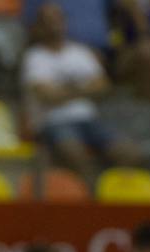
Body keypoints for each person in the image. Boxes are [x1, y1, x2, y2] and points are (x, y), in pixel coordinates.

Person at [21, 2, 132, 175]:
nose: (54, 24)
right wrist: (84, 88)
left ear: (65, 21)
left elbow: (103, 86)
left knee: (129, 152)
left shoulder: (81, 52)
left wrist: (64, 90)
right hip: (52, 122)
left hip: (88, 119)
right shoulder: (34, 57)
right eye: (48, 20)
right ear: (39, 26)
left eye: (57, 19)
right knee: (75, 154)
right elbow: (47, 95)